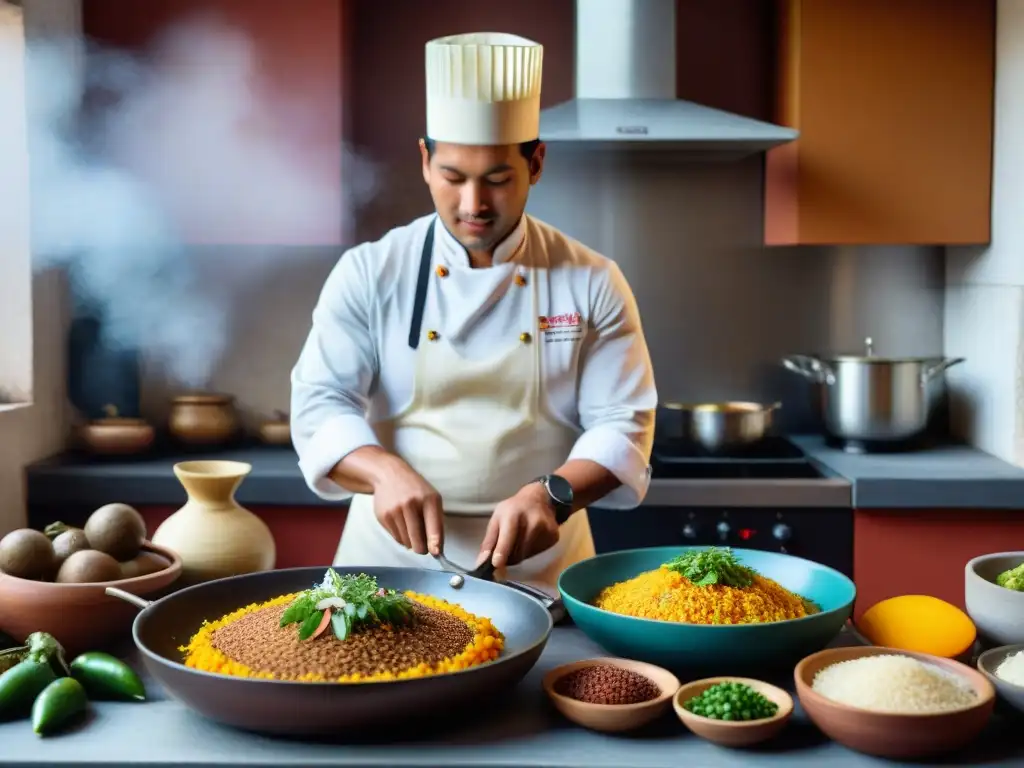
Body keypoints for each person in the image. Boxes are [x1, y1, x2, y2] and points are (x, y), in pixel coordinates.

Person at [290, 31, 657, 594]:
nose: (473, 205)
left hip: (539, 574)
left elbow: (623, 424)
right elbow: (319, 406)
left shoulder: (592, 280)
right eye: (453, 178)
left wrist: (551, 493)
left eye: (497, 180)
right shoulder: (370, 271)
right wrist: (384, 472)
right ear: (424, 161)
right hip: (384, 575)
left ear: (535, 163)